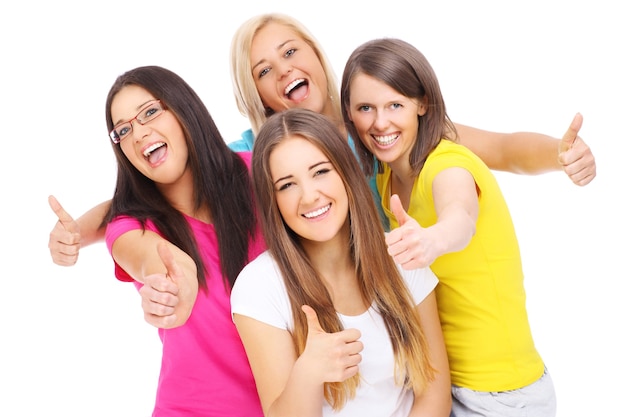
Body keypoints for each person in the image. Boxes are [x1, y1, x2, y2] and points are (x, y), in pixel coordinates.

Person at [48, 14, 597, 269]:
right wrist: (82, 231)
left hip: (417, 294)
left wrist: (558, 153)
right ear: (259, 95)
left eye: (290, 52)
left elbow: (497, 148)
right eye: (263, 70)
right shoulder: (258, 153)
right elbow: (156, 198)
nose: (282, 71)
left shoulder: (380, 124)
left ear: (314, 54)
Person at [340, 38, 557, 417]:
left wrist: (433, 239)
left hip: (499, 395)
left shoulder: (447, 164)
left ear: (422, 103)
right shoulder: (387, 176)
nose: (380, 122)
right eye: (365, 108)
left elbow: (460, 216)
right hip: (442, 384)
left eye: (395, 104)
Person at [49, 65, 266, 416]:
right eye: (123, 129)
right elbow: (154, 259)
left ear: (184, 109)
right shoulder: (128, 226)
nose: (138, 133)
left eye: (150, 112)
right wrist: (167, 287)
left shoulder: (258, 175)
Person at [231, 107, 451, 416]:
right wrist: (307, 373)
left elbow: (435, 392)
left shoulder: (401, 254)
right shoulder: (259, 286)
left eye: (320, 171)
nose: (309, 196)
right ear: (273, 201)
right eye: (287, 185)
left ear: (345, 173)